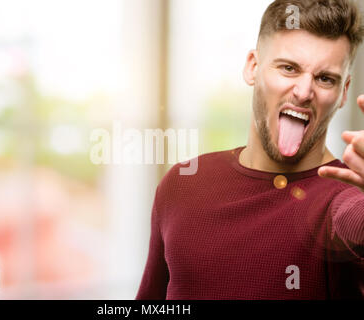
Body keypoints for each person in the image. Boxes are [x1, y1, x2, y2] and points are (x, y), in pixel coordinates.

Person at [136, 0, 364, 300]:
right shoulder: (182, 183)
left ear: (343, 92)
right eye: (288, 68)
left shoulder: (350, 202)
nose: (304, 91)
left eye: (325, 79)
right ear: (253, 67)